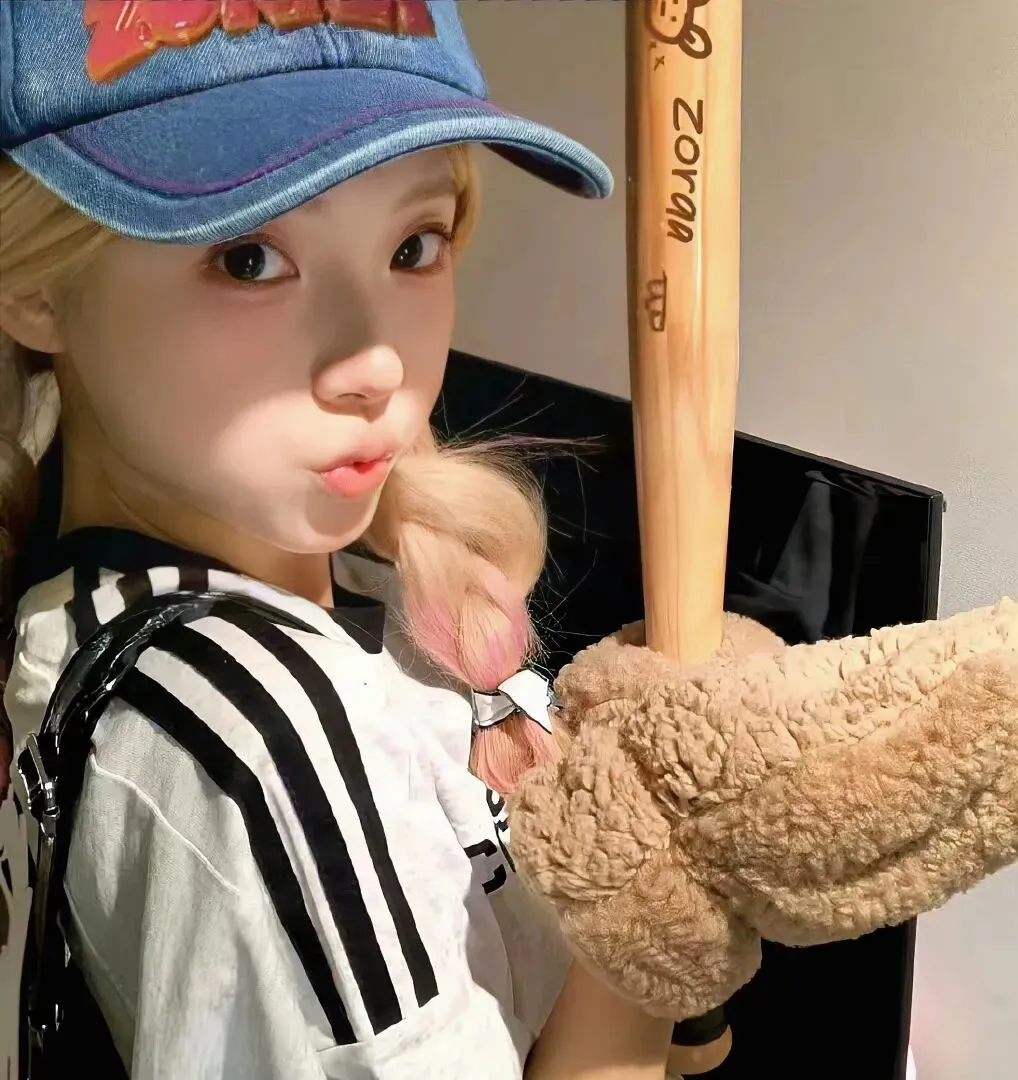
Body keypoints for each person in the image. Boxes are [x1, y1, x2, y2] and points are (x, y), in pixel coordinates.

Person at [0, 1, 675, 1077]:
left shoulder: (334, 574)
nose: (375, 362)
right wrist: (662, 914)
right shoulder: (256, 727)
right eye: (248, 259)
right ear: (34, 283)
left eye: (414, 245)